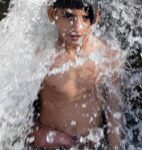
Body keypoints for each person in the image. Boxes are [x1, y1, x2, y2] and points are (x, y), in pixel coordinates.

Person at [27, 0, 124, 149]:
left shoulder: (108, 57)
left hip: (90, 144)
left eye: (85, 18)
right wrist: (37, 135)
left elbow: (114, 114)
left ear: (96, 18)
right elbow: (19, 112)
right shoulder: (42, 57)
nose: (77, 28)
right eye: (68, 16)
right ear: (52, 14)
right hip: (51, 144)